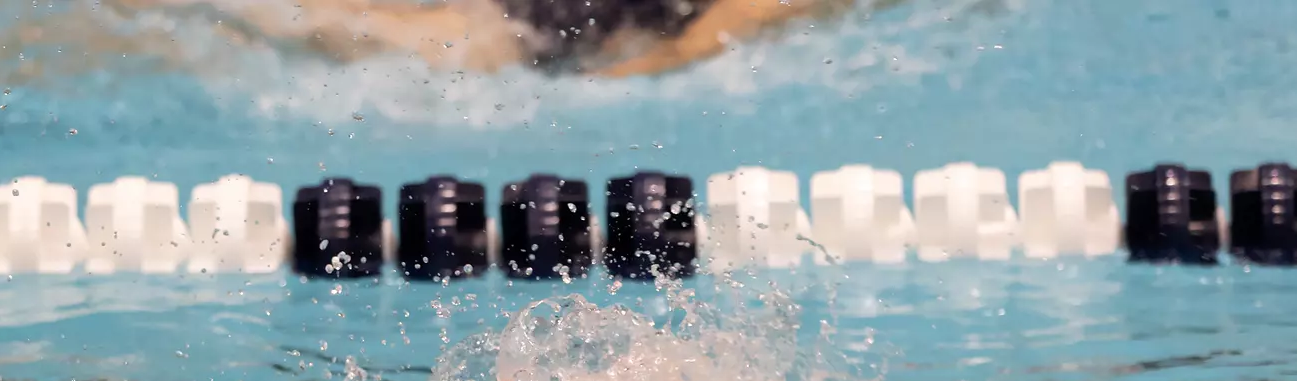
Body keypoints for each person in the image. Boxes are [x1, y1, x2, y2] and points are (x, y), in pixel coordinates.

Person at [108, 0, 858, 76]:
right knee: (331, 28)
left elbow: (685, 51)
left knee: (333, 27)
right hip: (529, 27)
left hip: (533, 30)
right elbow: (684, 53)